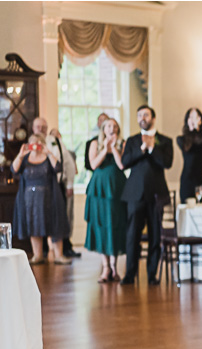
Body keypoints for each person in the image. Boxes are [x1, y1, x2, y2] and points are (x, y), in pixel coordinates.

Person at [120, 104, 174, 286]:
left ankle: (152, 274)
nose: (143, 118)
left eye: (146, 115)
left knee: (155, 235)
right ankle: (130, 273)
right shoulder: (132, 140)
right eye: (140, 115)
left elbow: (167, 163)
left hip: (157, 194)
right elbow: (125, 162)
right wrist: (142, 149)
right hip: (134, 194)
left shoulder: (165, 141)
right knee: (132, 235)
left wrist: (152, 149)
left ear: (153, 118)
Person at [11, 134, 70, 264]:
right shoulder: (25, 159)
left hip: (49, 198)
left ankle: (58, 255)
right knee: (33, 225)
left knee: (54, 223)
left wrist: (48, 153)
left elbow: (58, 168)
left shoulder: (48, 158)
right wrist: (21, 155)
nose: (35, 146)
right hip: (29, 200)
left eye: (38, 143)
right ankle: (37, 255)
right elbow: (14, 170)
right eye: (33, 143)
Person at [84, 118, 127, 283]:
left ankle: (115, 267)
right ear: (103, 129)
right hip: (99, 190)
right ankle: (105, 267)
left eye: (115, 126)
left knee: (115, 224)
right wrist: (105, 148)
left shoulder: (122, 144)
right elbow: (93, 164)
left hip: (117, 189)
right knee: (102, 225)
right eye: (109, 126)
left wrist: (114, 148)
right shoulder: (95, 143)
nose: (112, 128)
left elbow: (122, 165)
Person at [33, 118, 78, 258]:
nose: (40, 129)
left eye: (43, 126)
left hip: (56, 186)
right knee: (40, 218)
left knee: (60, 217)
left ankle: (64, 248)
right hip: (38, 188)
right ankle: (42, 251)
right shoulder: (30, 143)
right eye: (38, 126)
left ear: (47, 128)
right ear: (33, 128)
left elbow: (68, 164)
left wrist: (69, 184)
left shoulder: (55, 141)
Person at [176, 108, 202, 202]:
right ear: (187, 120)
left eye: (196, 117)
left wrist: (197, 131)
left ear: (201, 120)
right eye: (191, 117)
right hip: (187, 179)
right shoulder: (181, 139)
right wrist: (192, 131)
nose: (194, 120)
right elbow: (188, 149)